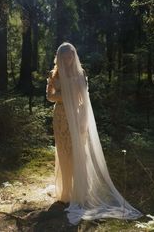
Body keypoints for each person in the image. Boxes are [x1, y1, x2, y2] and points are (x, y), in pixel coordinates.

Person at [46, 42, 143, 225]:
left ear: (74, 56)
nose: (68, 59)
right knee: (63, 153)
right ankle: (65, 192)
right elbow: (49, 97)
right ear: (59, 57)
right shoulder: (54, 74)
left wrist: (82, 122)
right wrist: (62, 94)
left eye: (71, 55)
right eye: (65, 56)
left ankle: (80, 192)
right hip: (60, 118)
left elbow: (84, 101)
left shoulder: (80, 74)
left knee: (77, 154)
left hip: (75, 116)